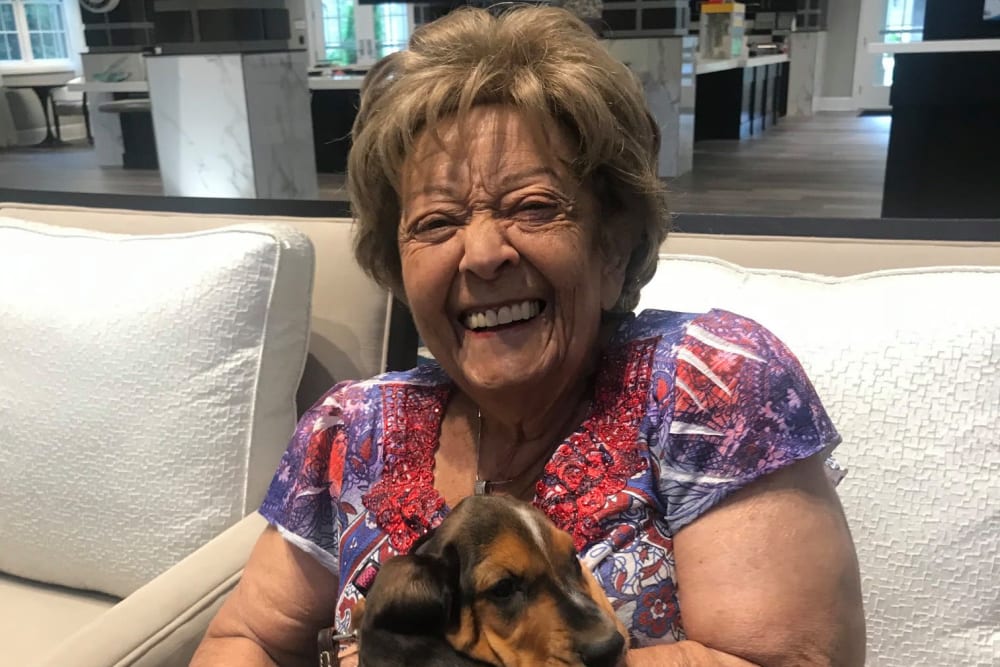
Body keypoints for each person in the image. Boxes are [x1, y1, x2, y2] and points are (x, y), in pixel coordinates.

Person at [191, 6, 865, 666]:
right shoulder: (350, 429)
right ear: (399, 265)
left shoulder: (714, 383)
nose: (483, 253)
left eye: (533, 206)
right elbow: (242, 639)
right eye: (436, 221)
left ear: (614, 245)